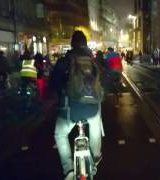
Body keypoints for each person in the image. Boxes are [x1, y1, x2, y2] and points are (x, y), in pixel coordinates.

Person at [50, 31, 104, 180]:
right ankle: (95, 157)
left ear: (72, 44)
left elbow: (54, 84)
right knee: (96, 121)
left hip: (69, 110)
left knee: (60, 134)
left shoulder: (64, 61)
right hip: (91, 109)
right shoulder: (94, 62)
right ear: (86, 44)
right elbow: (103, 83)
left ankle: (69, 171)